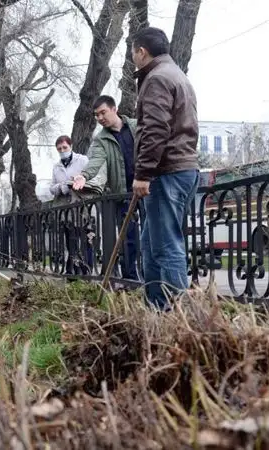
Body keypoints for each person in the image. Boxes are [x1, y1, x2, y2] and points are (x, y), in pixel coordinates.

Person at [130, 27, 200, 310]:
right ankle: (156, 311)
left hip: (166, 171)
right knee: (151, 245)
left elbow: (156, 130)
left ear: (141, 51)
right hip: (180, 169)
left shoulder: (157, 78)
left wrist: (143, 173)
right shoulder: (176, 75)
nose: (132, 58)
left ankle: (181, 320)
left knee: (166, 245)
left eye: (132, 53)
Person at [73, 95, 140, 281]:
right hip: (123, 194)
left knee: (151, 234)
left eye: (103, 112)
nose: (100, 118)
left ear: (114, 109)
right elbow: (95, 161)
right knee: (128, 239)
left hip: (146, 188)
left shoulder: (136, 126)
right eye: (96, 115)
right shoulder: (101, 139)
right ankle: (130, 279)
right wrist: (84, 176)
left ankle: (153, 278)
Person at [48, 136, 99, 275]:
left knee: (86, 238)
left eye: (65, 148)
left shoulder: (82, 160)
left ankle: (86, 269)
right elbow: (52, 188)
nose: (62, 151)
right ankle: (72, 270)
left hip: (83, 207)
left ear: (71, 146)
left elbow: (92, 180)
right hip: (66, 209)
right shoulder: (56, 167)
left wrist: (77, 182)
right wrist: (62, 186)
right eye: (59, 149)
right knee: (71, 239)